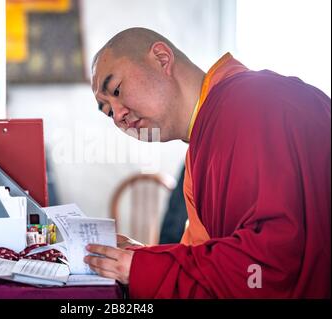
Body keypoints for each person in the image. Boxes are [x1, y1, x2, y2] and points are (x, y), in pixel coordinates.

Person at [84, 27, 331, 298]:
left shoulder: (253, 104)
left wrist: (143, 268)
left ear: (162, 58)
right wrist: (144, 258)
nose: (118, 116)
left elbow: (265, 270)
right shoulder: (203, 141)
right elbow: (207, 262)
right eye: (108, 112)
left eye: (117, 90)